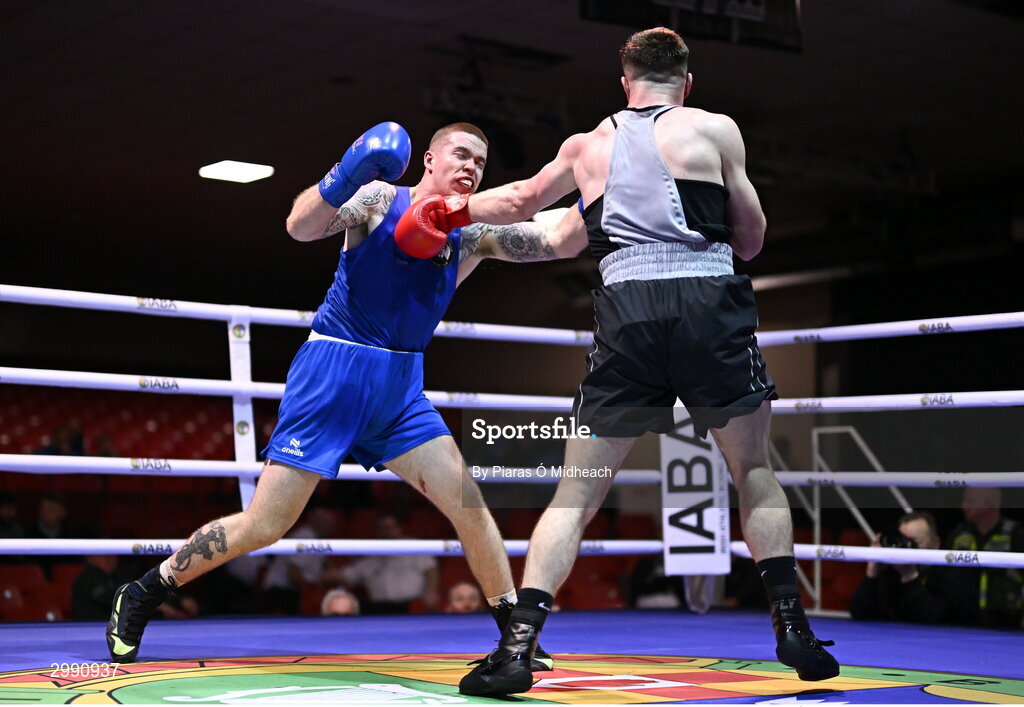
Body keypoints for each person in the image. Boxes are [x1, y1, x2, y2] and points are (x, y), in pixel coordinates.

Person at [398, 27, 839, 695]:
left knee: (576, 494)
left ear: (623, 82)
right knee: (753, 470)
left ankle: (518, 648)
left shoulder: (587, 146)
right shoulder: (716, 129)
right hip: (707, 304)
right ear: (686, 83)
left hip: (627, 312)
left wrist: (437, 214)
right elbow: (750, 240)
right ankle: (791, 625)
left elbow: (524, 210)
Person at [106, 120, 585, 665]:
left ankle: (514, 638)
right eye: (461, 154)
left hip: (401, 387)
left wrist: (599, 187)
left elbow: (552, 239)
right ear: (428, 160)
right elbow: (299, 227)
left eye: (480, 161)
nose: (472, 167)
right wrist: (343, 173)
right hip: (334, 370)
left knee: (468, 504)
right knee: (266, 525)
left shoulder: (469, 233)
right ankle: (146, 589)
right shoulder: (381, 198)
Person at [850, 511, 975, 624]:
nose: (908, 547)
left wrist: (910, 577)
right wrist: (871, 572)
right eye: (903, 541)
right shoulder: (892, 570)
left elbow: (934, 621)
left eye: (915, 542)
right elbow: (859, 614)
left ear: (936, 543)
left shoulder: (951, 572)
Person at [948, 488, 1024, 628]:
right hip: (960, 624)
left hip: (1007, 624)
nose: (963, 506)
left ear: (987, 504)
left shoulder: (1015, 534)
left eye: (970, 501)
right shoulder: (960, 533)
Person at [337, 514, 439, 614]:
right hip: (379, 609)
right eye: (383, 528)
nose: (387, 531)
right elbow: (344, 575)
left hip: (412, 607)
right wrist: (323, 558)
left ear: (399, 528)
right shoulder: (370, 558)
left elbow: (431, 569)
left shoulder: (413, 546)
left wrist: (431, 591)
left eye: (390, 527)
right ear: (377, 531)